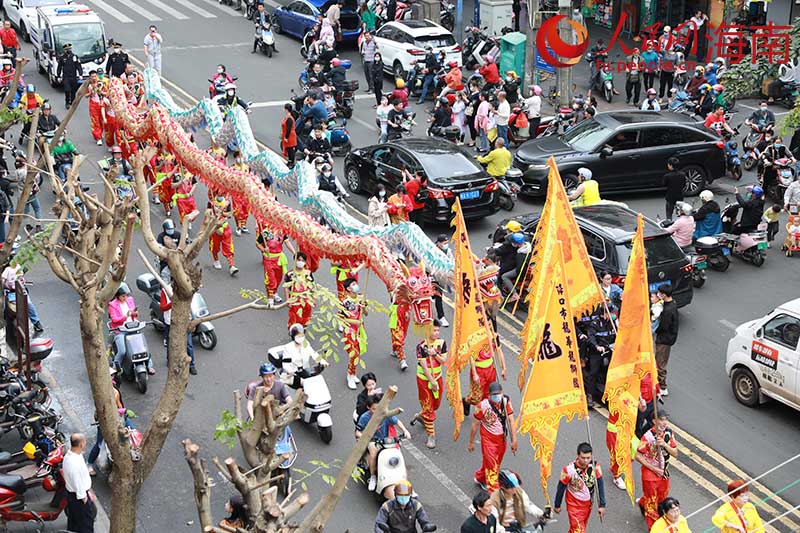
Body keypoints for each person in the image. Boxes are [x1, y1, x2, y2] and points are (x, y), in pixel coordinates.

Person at [356, 393, 412, 493]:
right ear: (368, 407)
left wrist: (405, 431)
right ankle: (373, 476)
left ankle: (405, 481)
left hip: (386, 441)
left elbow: (397, 421)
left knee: (398, 454)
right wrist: (365, 438)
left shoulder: (385, 415)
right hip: (373, 441)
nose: (376, 411)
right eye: (374, 409)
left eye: (378, 408)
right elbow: (358, 432)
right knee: (373, 453)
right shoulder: (364, 418)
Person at [468, 381, 518, 492]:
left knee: (496, 463)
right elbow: (475, 424)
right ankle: (494, 494)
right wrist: (471, 442)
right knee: (492, 468)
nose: (497, 397)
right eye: (494, 395)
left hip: (501, 439)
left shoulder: (505, 402)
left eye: (498, 394)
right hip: (488, 440)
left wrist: (514, 440)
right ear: (489, 395)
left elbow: (510, 420)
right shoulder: (482, 406)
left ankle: (480, 477)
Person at [637, 411, 679, 529]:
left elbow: (675, 453)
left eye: (666, 419)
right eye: (661, 419)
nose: (664, 422)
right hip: (650, 474)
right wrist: (654, 469)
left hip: (664, 472)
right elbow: (638, 455)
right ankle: (654, 527)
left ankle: (642, 502)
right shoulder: (648, 436)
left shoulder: (669, 433)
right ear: (654, 421)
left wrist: (665, 445)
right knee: (651, 502)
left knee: (662, 498)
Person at [554, 442, 607, 533]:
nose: (586, 461)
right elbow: (561, 488)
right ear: (577, 456)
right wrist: (557, 505)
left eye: (588, 458)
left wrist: (602, 505)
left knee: (578, 529)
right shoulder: (568, 470)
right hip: (573, 506)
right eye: (583, 458)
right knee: (579, 530)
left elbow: (600, 485)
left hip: (588, 505)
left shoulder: (595, 467)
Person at [410, 319, 447, 448]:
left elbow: (443, 361)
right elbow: (424, 367)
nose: (437, 333)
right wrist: (432, 381)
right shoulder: (421, 346)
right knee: (428, 406)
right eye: (434, 330)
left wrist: (435, 354)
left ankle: (421, 416)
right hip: (424, 380)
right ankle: (431, 435)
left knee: (435, 405)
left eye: (438, 330)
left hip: (438, 377)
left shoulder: (441, 343)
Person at [109, 283, 153, 374]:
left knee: (142, 347)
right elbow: (114, 319)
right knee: (122, 351)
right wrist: (126, 316)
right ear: (118, 296)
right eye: (123, 296)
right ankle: (115, 366)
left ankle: (149, 365)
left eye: (126, 295)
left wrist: (135, 313)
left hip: (133, 327)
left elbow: (135, 315)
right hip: (120, 330)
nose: (125, 298)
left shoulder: (130, 300)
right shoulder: (112, 305)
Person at [159, 271, 197, 375]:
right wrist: (172, 303)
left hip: (184, 321)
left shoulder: (185, 289)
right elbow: (162, 307)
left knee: (188, 344)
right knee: (170, 343)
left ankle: (192, 365)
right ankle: (170, 361)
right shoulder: (165, 291)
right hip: (170, 322)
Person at [63, 433, 97, 533]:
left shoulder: (69, 456)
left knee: (74, 522)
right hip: (79, 498)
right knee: (85, 524)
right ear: (81, 444)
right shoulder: (75, 463)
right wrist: (84, 499)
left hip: (72, 495)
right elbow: (78, 483)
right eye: (84, 441)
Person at [341, 278, 367, 389]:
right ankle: (349, 375)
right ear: (348, 288)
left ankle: (353, 373)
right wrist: (354, 321)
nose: (356, 285)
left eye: (356, 283)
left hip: (360, 329)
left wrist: (364, 308)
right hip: (350, 331)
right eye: (353, 284)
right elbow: (341, 318)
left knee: (359, 352)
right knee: (354, 353)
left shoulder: (361, 297)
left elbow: (366, 314)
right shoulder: (345, 302)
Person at [654, 284, 678, 396]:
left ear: (664, 294)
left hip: (664, 340)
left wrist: (654, 329)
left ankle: (663, 387)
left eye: (659, 293)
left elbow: (663, 326)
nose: (658, 295)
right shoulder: (671, 304)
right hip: (668, 338)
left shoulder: (668, 310)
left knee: (660, 363)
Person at [208, 195, 239, 276]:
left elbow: (229, 214)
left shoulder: (226, 203)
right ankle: (216, 260)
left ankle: (231, 266)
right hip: (215, 228)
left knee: (228, 247)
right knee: (215, 246)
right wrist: (212, 214)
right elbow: (207, 214)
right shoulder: (211, 202)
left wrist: (222, 212)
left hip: (225, 227)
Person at [284, 252, 315, 328]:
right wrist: (288, 300)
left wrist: (313, 299)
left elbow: (312, 286)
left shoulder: (308, 273)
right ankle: (294, 336)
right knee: (294, 319)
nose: (300, 262)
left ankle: (302, 335)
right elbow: (286, 288)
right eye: (298, 260)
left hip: (306, 299)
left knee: (305, 319)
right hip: (295, 299)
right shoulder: (290, 274)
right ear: (295, 261)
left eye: (303, 260)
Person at [86, 71, 107, 146]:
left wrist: (100, 91)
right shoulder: (88, 85)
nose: (94, 78)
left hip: (101, 103)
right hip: (93, 105)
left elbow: (106, 93)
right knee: (95, 121)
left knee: (102, 120)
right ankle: (98, 138)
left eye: (95, 76)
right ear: (90, 77)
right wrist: (91, 92)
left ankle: (101, 133)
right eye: (92, 76)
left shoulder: (101, 84)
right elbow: (86, 95)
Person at [57, 43, 81, 108]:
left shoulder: (75, 57)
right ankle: (67, 102)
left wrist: (80, 74)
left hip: (73, 76)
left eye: (69, 49)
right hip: (66, 77)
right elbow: (59, 67)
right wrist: (58, 75)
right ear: (64, 50)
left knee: (73, 90)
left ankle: (73, 102)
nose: (68, 50)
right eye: (67, 49)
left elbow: (78, 65)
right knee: (67, 90)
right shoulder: (62, 58)